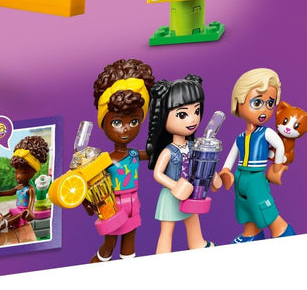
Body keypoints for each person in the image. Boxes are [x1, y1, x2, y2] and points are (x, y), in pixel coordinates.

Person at [88, 58, 154, 263]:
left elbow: (154, 153)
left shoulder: (134, 154)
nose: (125, 129)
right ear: (104, 123)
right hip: (112, 205)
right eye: (116, 122)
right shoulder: (104, 160)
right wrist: (88, 204)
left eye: (134, 121)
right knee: (109, 245)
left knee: (129, 246)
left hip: (134, 203)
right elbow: (87, 181)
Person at [219, 68, 295, 242]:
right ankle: (252, 233)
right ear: (238, 102)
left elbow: (280, 146)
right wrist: (225, 170)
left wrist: (276, 167)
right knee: (245, 207)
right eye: (257, 102)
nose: (264, 110)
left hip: (256, 178)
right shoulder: (240, 137)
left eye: (270, 103)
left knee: (264, 207)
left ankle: (282, 232)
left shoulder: (265, 133)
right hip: (240, 176)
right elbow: (231, 156)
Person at [146, 75, 220, 252]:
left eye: (196, 111)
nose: (192, 120)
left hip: (191, 193)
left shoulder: (194, 146)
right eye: (182, 114)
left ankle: (197, 244)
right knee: (167, 230)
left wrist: (213, 176)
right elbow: (158, 174)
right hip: (172, 195)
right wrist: (174, 185)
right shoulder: (168, 151)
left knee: (192, 220)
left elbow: (202, 165)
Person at [0, 136, 50, 240]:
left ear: (33, 172)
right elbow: (10, 192)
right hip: (17, 209)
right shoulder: (19, 187)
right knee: (10, 212)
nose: (18, 176)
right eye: (16, 172)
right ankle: (1, 220)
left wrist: (29, 211)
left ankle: (3, 225)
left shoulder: (30, 189)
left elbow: (31, 204)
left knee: (16, 216)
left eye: (23, 173)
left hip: (22, 213)